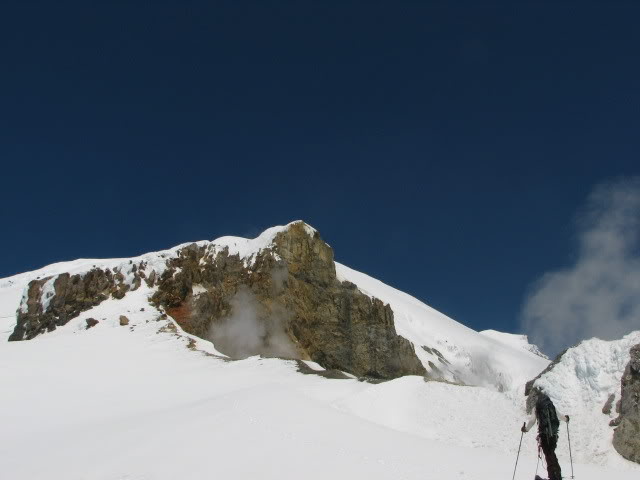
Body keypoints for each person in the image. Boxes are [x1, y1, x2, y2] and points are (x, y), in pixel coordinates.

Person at [521, 391, 569, 480]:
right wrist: (566, 419)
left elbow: (532, 421)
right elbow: (559, 416)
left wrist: (526, 429)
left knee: (549, 455)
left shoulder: (536, 407)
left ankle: (554, 477)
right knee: (551, 454)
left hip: (544, 435)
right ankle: (556, 476)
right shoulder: (550, 406)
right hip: (554, 435)